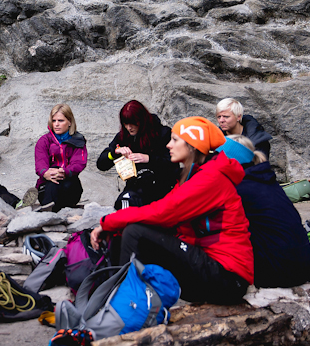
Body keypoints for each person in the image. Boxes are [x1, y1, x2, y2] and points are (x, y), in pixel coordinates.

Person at [90, 117, 253, 304]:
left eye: (175, 140)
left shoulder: (210, 179)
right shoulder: (195, 174)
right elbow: (164, 214)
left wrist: (108, 222)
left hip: (227, 277)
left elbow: (162, 213)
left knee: (135, 232)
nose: (168, 145)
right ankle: (113, 296)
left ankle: (124, 305)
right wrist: (114, 227)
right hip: (208, 263)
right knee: (126, 232)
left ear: (192, 145)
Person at [219, 136, 310, 288]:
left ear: (229, 161)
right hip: (303, 265)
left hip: (279, 272)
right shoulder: (263, 180)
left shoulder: (240, 188)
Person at [95, 100, 178, 210]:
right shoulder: (124, 137)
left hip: (161, 186)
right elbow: (101, 165)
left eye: (133, 123)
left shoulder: (163, 133)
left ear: (142, 120)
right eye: (125, 124)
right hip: (135, 186)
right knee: (124, 203)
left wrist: (148, 159)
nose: (129, 127)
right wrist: (114, 154)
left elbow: (173, 164)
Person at [34, 104, 87, 211]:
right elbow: (40, 163)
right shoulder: (44, 141)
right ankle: (49, 209)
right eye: (54, 121)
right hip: (47, 184)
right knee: (53, 182)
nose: (56, 124)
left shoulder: (78, 140)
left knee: (66, 183)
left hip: (69, 184)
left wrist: (64, 172)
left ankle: (50, 209)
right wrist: (46, 173)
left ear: (69, 122)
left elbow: (78, 163)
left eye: (61, 121)